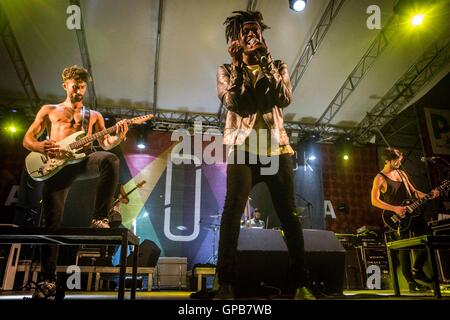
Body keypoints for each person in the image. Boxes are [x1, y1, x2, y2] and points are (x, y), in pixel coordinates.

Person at [215, 11, 314, 299]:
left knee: (289, 216)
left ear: (261, 35)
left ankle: (300, 282)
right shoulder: (225, 69)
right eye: (245, 31)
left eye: (255, 30)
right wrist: (237, 67)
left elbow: (283, 98)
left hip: (277, 149)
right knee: (232, 214)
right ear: (236, 38)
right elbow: (235, 104)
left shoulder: (278, 65)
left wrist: (267, 62)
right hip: (243, 149)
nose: (251, 35)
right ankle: (225, 284)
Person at [22, 65, 129, 299]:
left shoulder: (94, 116)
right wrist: (40, 145)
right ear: (65, 86)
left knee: (109, 160)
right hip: (56, 167)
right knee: (51, 223)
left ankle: (99, 217)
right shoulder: (49, 110)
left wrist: (118, 137)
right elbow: (28, 139)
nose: (78, 91)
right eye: (74, 86)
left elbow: (105, 143)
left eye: (82, 87)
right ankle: (48, 280)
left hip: (81, 162)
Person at [371, 147, 440, 292]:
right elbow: (374, 201)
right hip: (396, 218)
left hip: (413, 214)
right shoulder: (380, 178)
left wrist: (429, 194)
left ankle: (417, 269)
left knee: (429, 238)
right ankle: (410, 281)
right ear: (387, 160)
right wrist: (394, 208)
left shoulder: (402, 173)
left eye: (400, 160)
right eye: (396, 161)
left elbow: (414, 192)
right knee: (404, 248)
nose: (398, 163)